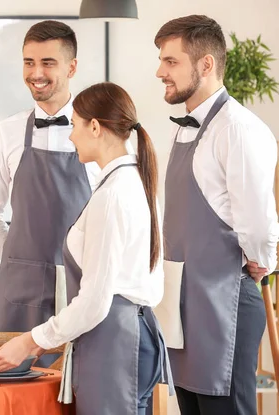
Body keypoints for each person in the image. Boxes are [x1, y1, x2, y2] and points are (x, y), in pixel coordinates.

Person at [0, 82, 171, 415]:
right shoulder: (135, 182)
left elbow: (95, 301)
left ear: (94, 127)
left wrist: (30, 341)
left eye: (76, 126)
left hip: (113, 341)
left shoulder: (111, 196)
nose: (70, 137)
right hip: (135, 334)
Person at [154, 15, 278, 414]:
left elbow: (258, 219)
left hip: (225, 301)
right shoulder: (182, 129)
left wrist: (263, 263)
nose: (160, 72)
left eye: (171, 62)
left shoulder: (238, 128)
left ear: (205, 65)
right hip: (183, 304)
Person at [0, 20, 99, 366]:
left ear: (72, 67)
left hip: (81, 282)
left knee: (78, 383)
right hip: (21, 287)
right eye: (29, 62)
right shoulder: (7, 132)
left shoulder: (98, 130)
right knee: (16, 386)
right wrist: (19, 262)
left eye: (48, 62)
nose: (36, 73)